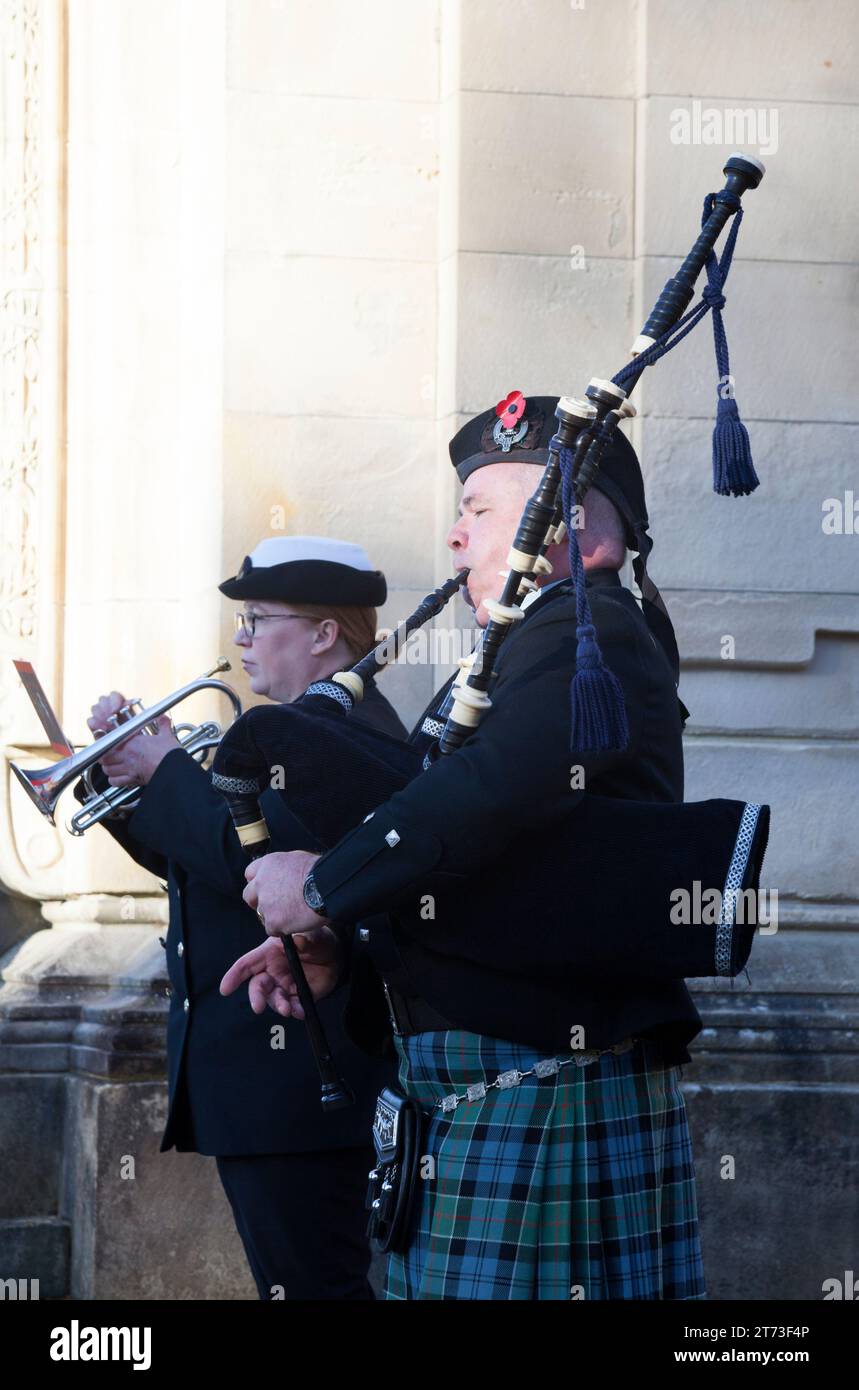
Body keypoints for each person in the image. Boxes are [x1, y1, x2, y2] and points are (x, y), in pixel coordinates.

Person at [221, 397, 707, 1301]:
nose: (453, 537)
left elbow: (491, 797)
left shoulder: (585, 631)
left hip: (541, 1080)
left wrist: (324, 887)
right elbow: (488, 874)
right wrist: (347, 940)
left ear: (572, 530)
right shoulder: (523, 647)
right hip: (482, 1084)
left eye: (480, 509)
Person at [80, 536, 403, 1300]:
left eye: (258, 619)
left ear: (325, 634)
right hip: (262, 1084)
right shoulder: (292, 729)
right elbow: (209, 873)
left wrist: (166, 772)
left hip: (299, 1085)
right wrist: (124, 780)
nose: (241, 637)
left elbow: (265, 864)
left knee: (315, 1286)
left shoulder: (350, 732)